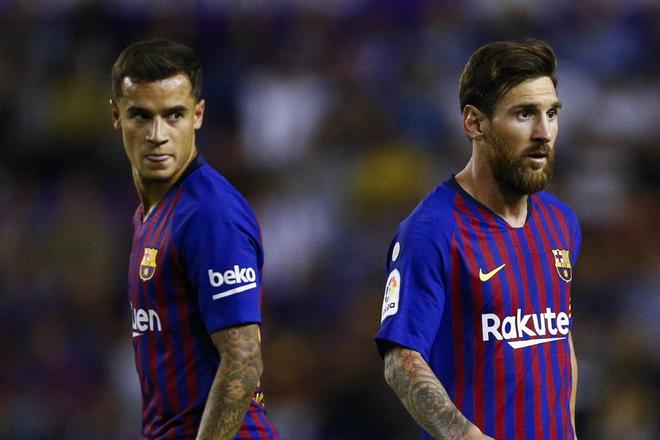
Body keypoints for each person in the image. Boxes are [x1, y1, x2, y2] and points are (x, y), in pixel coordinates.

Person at [375, 40, 581, 440]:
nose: (544, 133)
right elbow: (401, 361)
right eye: (524, 114)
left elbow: (558, 341)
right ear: (474, 123)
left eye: (551, 113)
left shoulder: (561, 222)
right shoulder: (432, 231)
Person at [110, 38, 279, 439]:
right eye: (141, 116)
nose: (157, 134)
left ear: (198, 115)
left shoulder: (209, 214)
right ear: (116, 116)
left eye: (174, 115)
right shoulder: (151, 215)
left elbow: (242, 360)